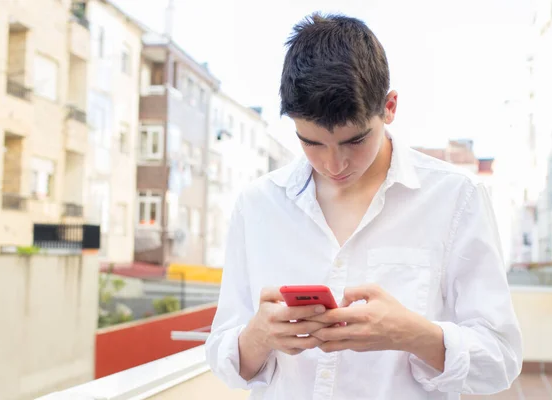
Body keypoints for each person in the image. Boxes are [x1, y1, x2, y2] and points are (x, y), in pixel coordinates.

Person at [205, 12, 522, 400]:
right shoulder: (257, 205)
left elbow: (501, 359)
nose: (333, 165)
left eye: (354, 141)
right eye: (312, 143)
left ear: (389, 107)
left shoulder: (457, 197)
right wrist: (257, 337)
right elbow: (226, 353)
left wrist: (413, 334)